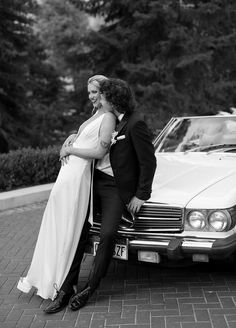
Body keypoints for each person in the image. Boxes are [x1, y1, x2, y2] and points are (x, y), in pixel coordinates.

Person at [44, 78, 157, 314]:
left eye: (101, 96)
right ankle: (65, 289)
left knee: (107, 234)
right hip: (92, 182)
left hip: (115, 188)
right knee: (78, 232)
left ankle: (90, 288)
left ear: (112, 100)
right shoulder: (104, 116)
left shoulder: (135, 123)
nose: (97, 99)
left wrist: (141, 195)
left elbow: (148, 162)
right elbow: (88, 131)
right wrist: (73, 136)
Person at [17, 74, 116, 302]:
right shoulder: (95, 115)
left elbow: (100, 152)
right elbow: (83, 137)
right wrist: (73, 136)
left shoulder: (108, 117)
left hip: (78, 178)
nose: (91, 96)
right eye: (89, 92)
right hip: (67, 176)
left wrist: (71, 150)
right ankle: (50, 277)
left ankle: (62, 282)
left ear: (104, 92)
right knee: (55, 227)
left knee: (68, 229)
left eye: (95, 92)